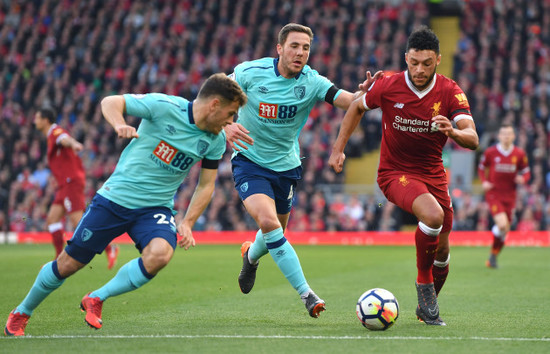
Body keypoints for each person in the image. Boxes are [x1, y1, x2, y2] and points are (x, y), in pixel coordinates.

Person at [4, 73, 247, 336]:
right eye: (231, 113)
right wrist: (119, 124)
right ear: (214, 104)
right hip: (114, 200)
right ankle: (21, 312)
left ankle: (96, 298)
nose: (231, 122)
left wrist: (187, 221)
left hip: (155, 209)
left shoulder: (215, 140)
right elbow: (111, 101)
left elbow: (206, 184)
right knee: (67, 264)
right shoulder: (164, 106)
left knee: (160, 254)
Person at [224, 23, 381, 318]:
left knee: (276, 231)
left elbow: (349, 101)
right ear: (280, 48)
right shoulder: (249, 72)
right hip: (249, 162)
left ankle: (251, 256)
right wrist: (226, 124)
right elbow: (213, 92)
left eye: (306, 48)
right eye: (294, 46)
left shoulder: (312, 82)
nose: (300, 53)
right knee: (269, 223)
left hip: (287, 167)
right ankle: (307, 294)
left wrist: (367, 95)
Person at [328, 26, 479, 326]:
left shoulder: (450, 91)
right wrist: (338, 149)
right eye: (413, 62)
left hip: (433, 175)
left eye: (426, 63)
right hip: (394, 173)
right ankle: (423, 286)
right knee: (433, 217)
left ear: (438, 59)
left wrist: (454, 131)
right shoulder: (389, 85)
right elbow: (357, 107)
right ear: (406, 58)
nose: (419, 69)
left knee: (443, 249)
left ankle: (426, 310)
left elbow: (473, 138)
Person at [34, 108, 119, 269]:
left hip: (71, 182)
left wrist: (74, 143)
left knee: (78, 221)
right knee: (52, 218)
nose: (34, 121)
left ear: (45, 120)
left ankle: (109, 247)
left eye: (37, 117)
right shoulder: (50, 136)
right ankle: (59, 257)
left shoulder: (55, 131)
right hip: (63, 184)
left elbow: (65, 139)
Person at [478, 124, 530, 268]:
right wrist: (484, 182)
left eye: (509, 134)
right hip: (494, 193)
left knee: (504, 229)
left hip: (511, 195)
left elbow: (526, 172)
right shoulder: (490, 152)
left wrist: (523, 179)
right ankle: (494, 252)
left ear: (513, 136)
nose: (506, 136)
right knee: (502, 225)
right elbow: (481, 168)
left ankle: (493, 257)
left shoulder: (519, 154)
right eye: (504, 134)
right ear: (499, 136)